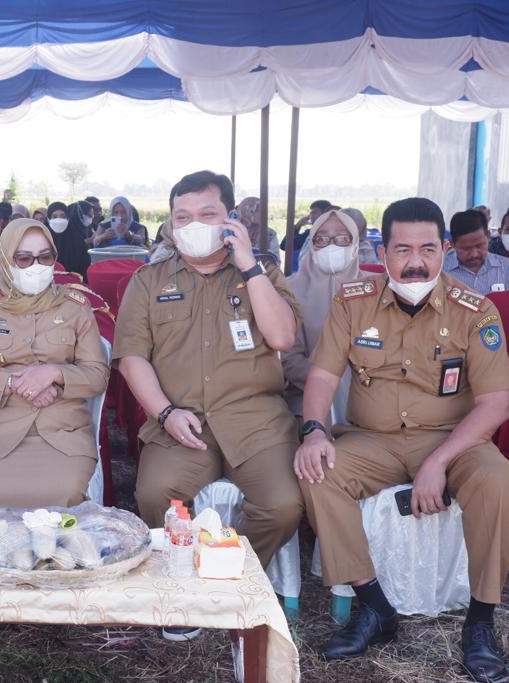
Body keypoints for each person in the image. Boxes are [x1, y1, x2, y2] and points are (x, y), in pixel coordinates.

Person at [294, 197, 509, 681]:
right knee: (317, 472)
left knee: (499, 481)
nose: (415, 262)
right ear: (384, 250)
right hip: (371, 441)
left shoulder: (475, 311)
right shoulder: (352, 301)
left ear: (443, 249)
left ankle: (480, 623)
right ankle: (374, 606)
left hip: (454, 441)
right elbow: (320, 379)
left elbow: (495, 405)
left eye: (427, 249)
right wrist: (313, 430)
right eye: (402, 250)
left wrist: (438, 462)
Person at [114, 171, 303, 640]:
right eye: (183, 217)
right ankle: (182, 584)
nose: (193, 224)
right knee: (155, 494)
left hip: (255, 421)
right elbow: (131, 356)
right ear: (170, 224)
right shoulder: (148, 280)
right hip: (181, 423)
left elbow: (282, 336)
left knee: (282, 505)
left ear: (231, 219)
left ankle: (227, 580)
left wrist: (251, 267)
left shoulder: (264, 274)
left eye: (207, 214)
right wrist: (163, 413)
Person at [0, 218, 109, 506]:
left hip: (64, 431)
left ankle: (63, 553)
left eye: (45, 257)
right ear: (6, 261)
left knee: (69, 491)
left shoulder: (76, 307)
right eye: (23, 258)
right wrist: (14, 383)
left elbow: (98, 374)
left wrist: (54, 374)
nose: (36, 266)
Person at [282, 209, 364, 425]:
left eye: (342, 238)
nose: (332, 245)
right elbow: (289, 358)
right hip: (305, 402)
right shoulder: (290, 289)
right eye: (322, 239)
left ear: (355, 243)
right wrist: (327, 382)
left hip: (368, 404)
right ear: (312, 243)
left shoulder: (374, 289)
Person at [444, 209, 509, 294]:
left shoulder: (507, 268)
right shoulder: (441, 271)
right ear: (452, 244)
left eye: (479, 246)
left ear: (488, 236)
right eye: (466, 249)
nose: (474, 254)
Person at [51, 201, 92, 279]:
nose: (59, 220)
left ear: (68, 217)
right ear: (49, 219)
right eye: (55, 217)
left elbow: (84, 268)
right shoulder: (44, 240)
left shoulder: (77, 240)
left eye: (63, 216)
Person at [237, 196, 280, 262]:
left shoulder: (269, 234)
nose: (264, 214)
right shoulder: (233, 230)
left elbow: (275, 261)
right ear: (247, 211)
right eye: (258, 211)